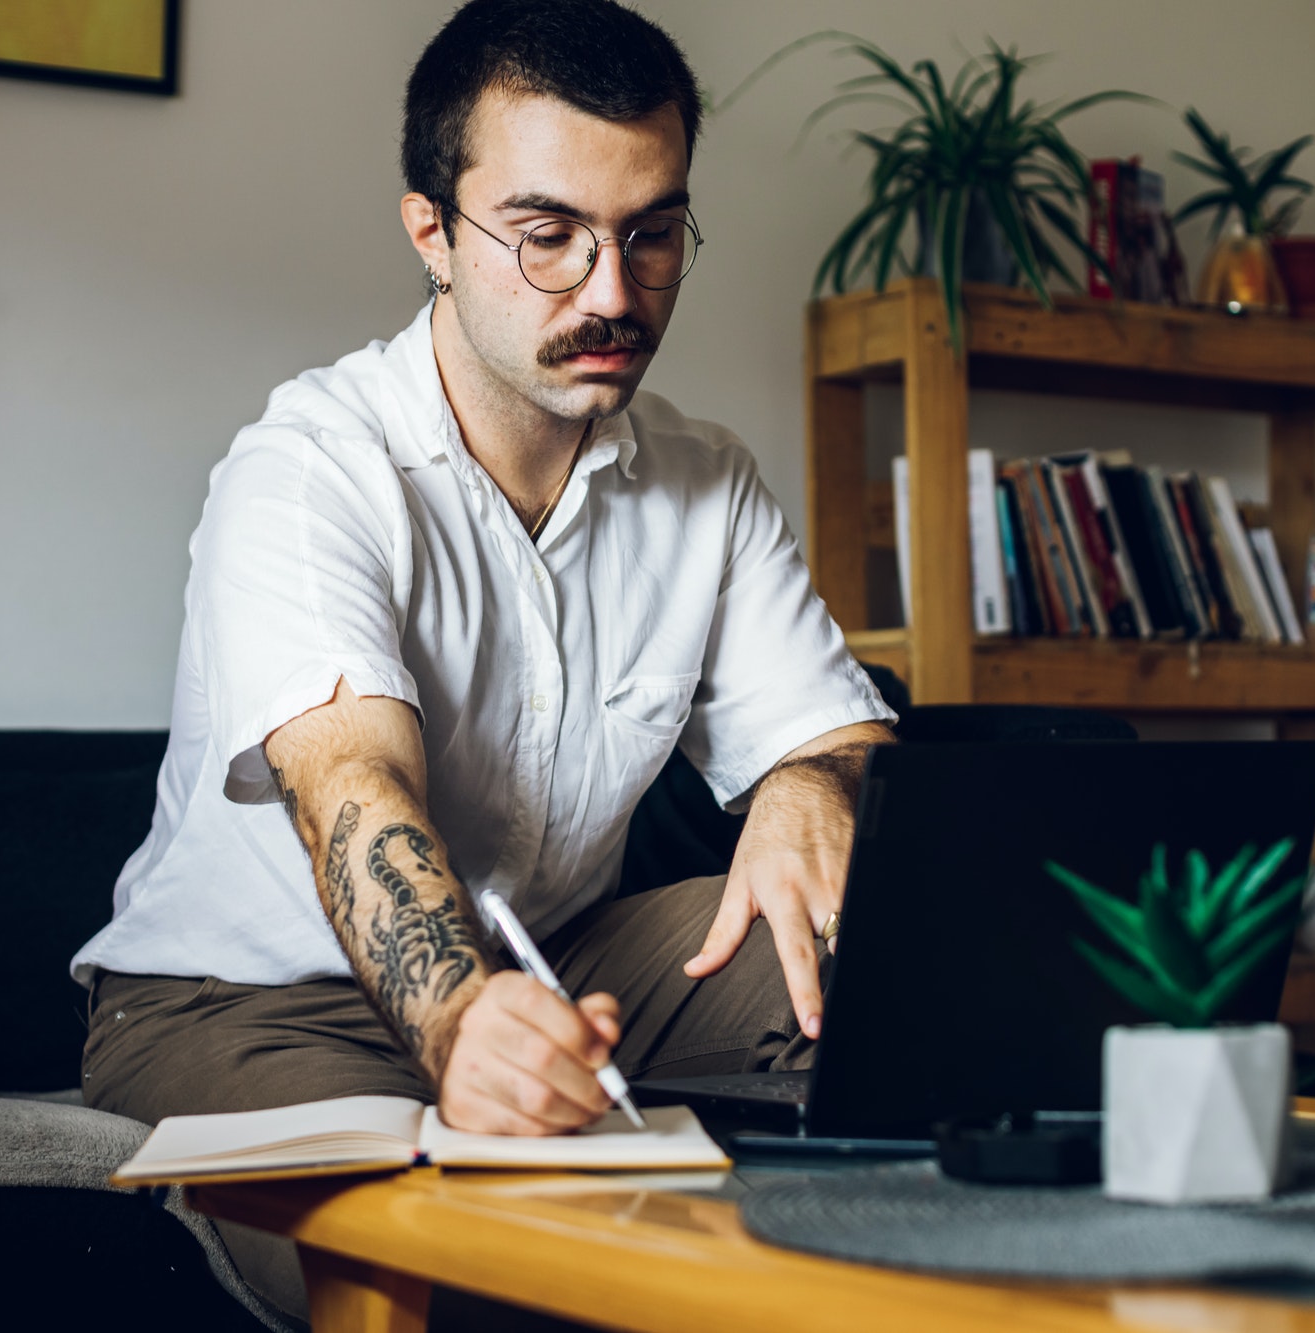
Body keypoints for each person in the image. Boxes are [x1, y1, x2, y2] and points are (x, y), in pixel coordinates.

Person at [72, 0, 895, 1321]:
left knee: (888, 951)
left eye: (653, 234)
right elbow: (352, 787)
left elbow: (827, 728)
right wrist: (460, 1021)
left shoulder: (708, 480)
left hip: (573, 957)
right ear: (433, 235)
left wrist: (808, 788)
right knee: (457, 1259)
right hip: (251, 1004)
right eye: (548, 237)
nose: (613, 294)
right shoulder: (308, 469)